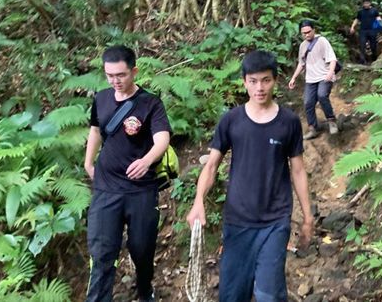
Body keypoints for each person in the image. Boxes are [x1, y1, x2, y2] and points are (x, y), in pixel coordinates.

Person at [187, 50, 313, 302]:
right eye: (253, 81)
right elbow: (211, 166)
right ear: (244, 81)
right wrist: (198, 200)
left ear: (275, 80)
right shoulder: (232, 121)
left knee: (269, 294)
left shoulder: (288, 122)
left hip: (275, 220)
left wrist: (308, 216)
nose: (259, 88)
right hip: (238, 221)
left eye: (266, 80)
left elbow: (298, 169)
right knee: (232, 295)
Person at [84, 45, 171, 302]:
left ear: (134, 71)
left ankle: (145, 290)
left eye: (121, 75)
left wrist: (146, 160)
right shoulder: (100, 98)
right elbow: (96, 130)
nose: (115, 81)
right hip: (106, 188)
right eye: (110, 75)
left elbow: (162, 138)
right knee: (102, 253)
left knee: (142, 249)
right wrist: (89, 162)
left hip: (140, 190)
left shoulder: (150, 103)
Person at [288, 20, 339, 139]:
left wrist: (330, 73)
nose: (306, 35)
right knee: (308, 102)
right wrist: (293, 78)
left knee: (322, 95)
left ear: (314, 30)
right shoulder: (302, 46)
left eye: (308, 32)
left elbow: (332, 59)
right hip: (310, 79)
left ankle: (331, 121)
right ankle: (313, 128)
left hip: (324, 75)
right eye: (303, 33)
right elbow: (301, 63)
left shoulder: (322, 41)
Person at [350, 0, 382, 64]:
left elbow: (378, 18)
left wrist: (381, 24)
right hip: (363, 31)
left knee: (373, 45)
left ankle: (374, 58)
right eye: (365, 3)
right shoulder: (361, 12)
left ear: (370, 3)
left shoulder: (374, 10)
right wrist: (352, 27)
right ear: (363, 4)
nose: (366, 4)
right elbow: (357, 19)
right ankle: (362, 60)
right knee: (362, 45)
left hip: (372, 30)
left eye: (367, 3)